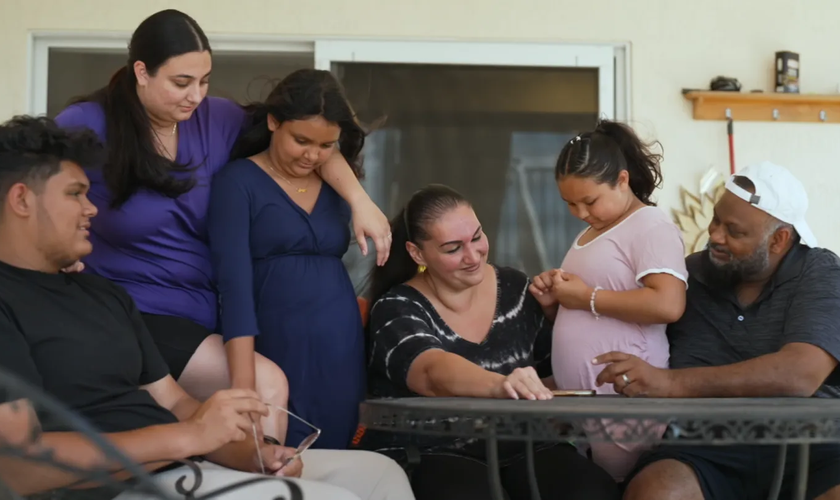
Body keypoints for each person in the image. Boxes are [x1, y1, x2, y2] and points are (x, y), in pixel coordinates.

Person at [0, 115, 413, 500]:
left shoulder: (103, 295)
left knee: (380, 476)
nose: (91, 209)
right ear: (22, 199)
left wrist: (253, 452)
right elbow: (19, 466)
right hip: (115, 486)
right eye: (75, 194)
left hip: (180, 466)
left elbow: (175, 403)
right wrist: (189, 438)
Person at [53, 9, 392, 443]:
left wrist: (360, 201)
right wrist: (56, 252)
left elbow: (307, 134)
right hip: (134, 313)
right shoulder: (87, 123)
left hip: (202, 319)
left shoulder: (218, 119)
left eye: (205, 80)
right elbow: (27, 184)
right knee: (263, 390)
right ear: (141, 71)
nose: (195, 95)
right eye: (181, 82)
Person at [592, 162, 840, 500]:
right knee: (656, 492)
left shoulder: (821, 272)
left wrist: (669, 384)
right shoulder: (687, 274)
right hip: (704, 449)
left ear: (779, 240)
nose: (715, 235)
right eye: (716, 219)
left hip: (812, 449)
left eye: (734, 231)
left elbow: (800, 373)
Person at [357, 184, 620, 500]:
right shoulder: (396, 305)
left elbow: (552, 374)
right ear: (417, 253)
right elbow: (432, 372)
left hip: (524, 443)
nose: (472, 256)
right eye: (453, 248)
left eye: (477, 237)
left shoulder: (516, 288)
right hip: (430, 448)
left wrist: (556, 315)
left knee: (591, 491)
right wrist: (503, 385)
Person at [207, 69, 367, 449]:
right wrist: (244, 388)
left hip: (339, 348)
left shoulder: (338, 183)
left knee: (338, 461)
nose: (312, 155)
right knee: (277, 458)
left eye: (326, 146)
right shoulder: (237, 182)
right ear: (273, 121)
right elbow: (234, 287)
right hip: (273, 344)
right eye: (301, 140)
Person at [529, 120, 687, 480]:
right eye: (570, 203)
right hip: (587, 406)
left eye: (589, 201)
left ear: (622, 180)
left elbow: (668, 304)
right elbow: (594, 314)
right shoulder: (593, 231)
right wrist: (555, 302)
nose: (581, 213)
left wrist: (586, 298)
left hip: (624, 395)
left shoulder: (650, 225)